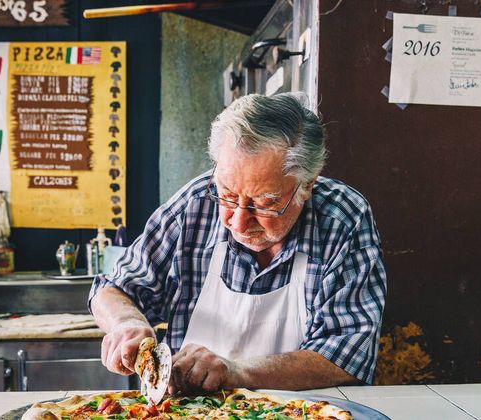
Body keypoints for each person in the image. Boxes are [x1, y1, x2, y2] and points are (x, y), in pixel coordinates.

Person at [89, 92, 387, 394]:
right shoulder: (194, 205)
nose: (238, 222)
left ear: (307, 184)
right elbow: (112, 288)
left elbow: (347, 358)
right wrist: (125, 323)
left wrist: (236, 371)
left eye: (265, 204)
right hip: (187, 412)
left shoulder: (342, 220)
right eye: (228, 195)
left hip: (298, 413)